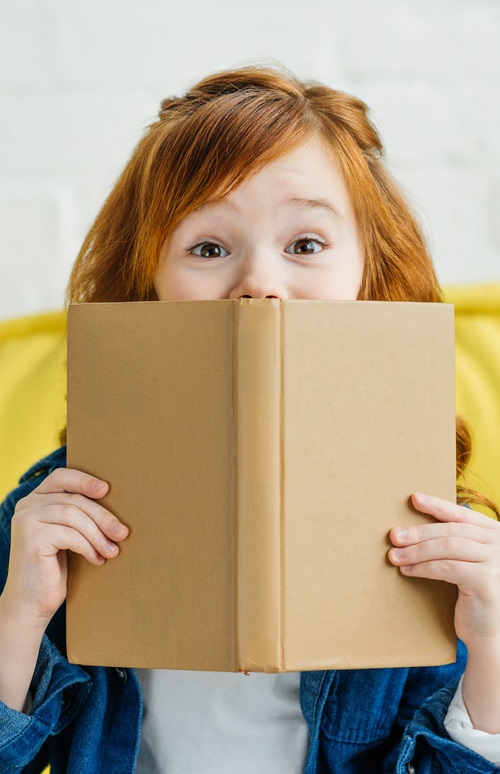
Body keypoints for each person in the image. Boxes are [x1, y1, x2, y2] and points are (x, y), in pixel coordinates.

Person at [0, 65, 499, 774]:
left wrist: (494, 653)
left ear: (370, 277)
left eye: (306, 245)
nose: (259, 284)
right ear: (147, 288)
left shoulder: (439, 532)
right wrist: (19, 616)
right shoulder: (53, 515)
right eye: (207, 248)